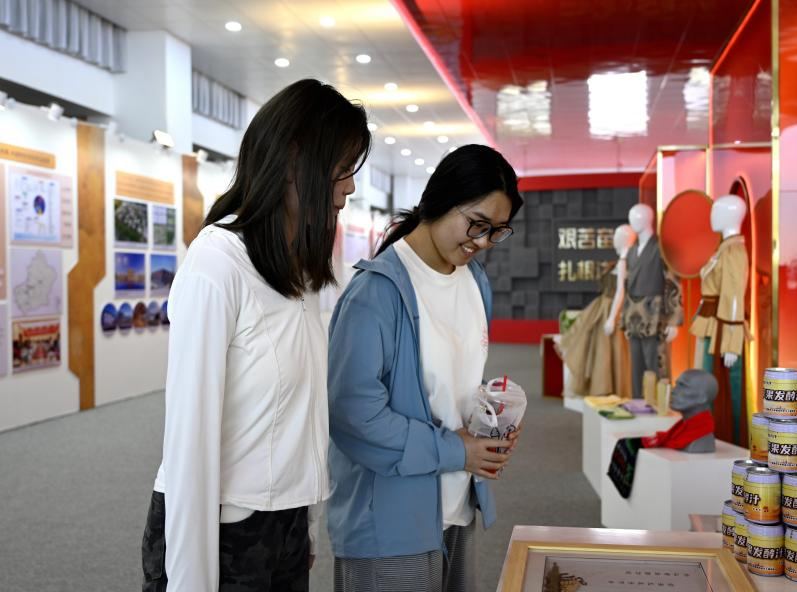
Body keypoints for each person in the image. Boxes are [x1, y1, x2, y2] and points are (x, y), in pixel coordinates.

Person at [140, 79, 371, 592]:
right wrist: (191, 578)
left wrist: (305, 523)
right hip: (222, 528)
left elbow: (302, 412)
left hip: (284, 522)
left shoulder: (301, 269)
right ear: (293, 160)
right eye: (341, 168)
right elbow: (190, 435)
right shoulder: (217, 262)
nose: (350, 188)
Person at [326, 144, 524, 592]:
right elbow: (354, 417)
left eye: (497, 231)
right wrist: (457, 452)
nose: (483, 242)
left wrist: (492, 421)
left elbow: (455, 383)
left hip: (457, 507)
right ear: (440, 200)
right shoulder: (375, 293)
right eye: (477, 224)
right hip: (389, 525)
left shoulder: (475, 281)